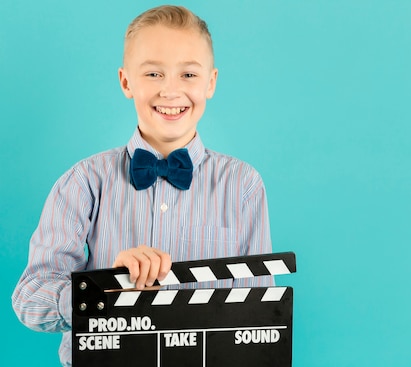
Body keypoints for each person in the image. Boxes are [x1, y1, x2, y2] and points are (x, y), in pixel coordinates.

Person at [12, 5, 273, 366]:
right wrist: (102, 290)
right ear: (125, 81)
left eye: (188, 74)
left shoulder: (243, 185)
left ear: (210, 82)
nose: (170, 90)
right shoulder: (84, 183)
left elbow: (257, 314)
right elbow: (30, 297)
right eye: (153, 73)